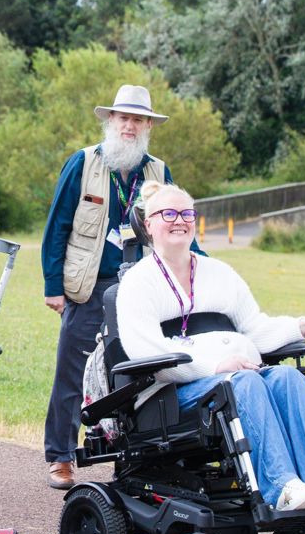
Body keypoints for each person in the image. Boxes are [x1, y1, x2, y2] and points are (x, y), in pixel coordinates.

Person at [116, 182, 305, 511]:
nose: (180, 220)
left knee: (286, 378)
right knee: (243, 383)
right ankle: (282, 488)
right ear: (149, 224)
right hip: (174, 392)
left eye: (187, 213)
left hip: (237, 378)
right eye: (169, 214)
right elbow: (146, 352)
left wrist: (299, 325)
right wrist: (214, 367)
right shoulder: (138, 282)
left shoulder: (220, 273)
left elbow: (256, 329)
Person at [40, 84, 201, 490]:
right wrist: (53, 285)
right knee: (72, 372)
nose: (130, 126)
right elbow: (57, 227)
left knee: (140, 373)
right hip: (90, 285)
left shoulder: (158, 172)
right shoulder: (83, 163)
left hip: (141, 290)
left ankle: (134, 459)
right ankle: (60, 456)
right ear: (111, 120)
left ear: (148, 125)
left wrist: (202, 270)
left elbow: (180, 225)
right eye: (123, 118)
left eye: (138, 119)